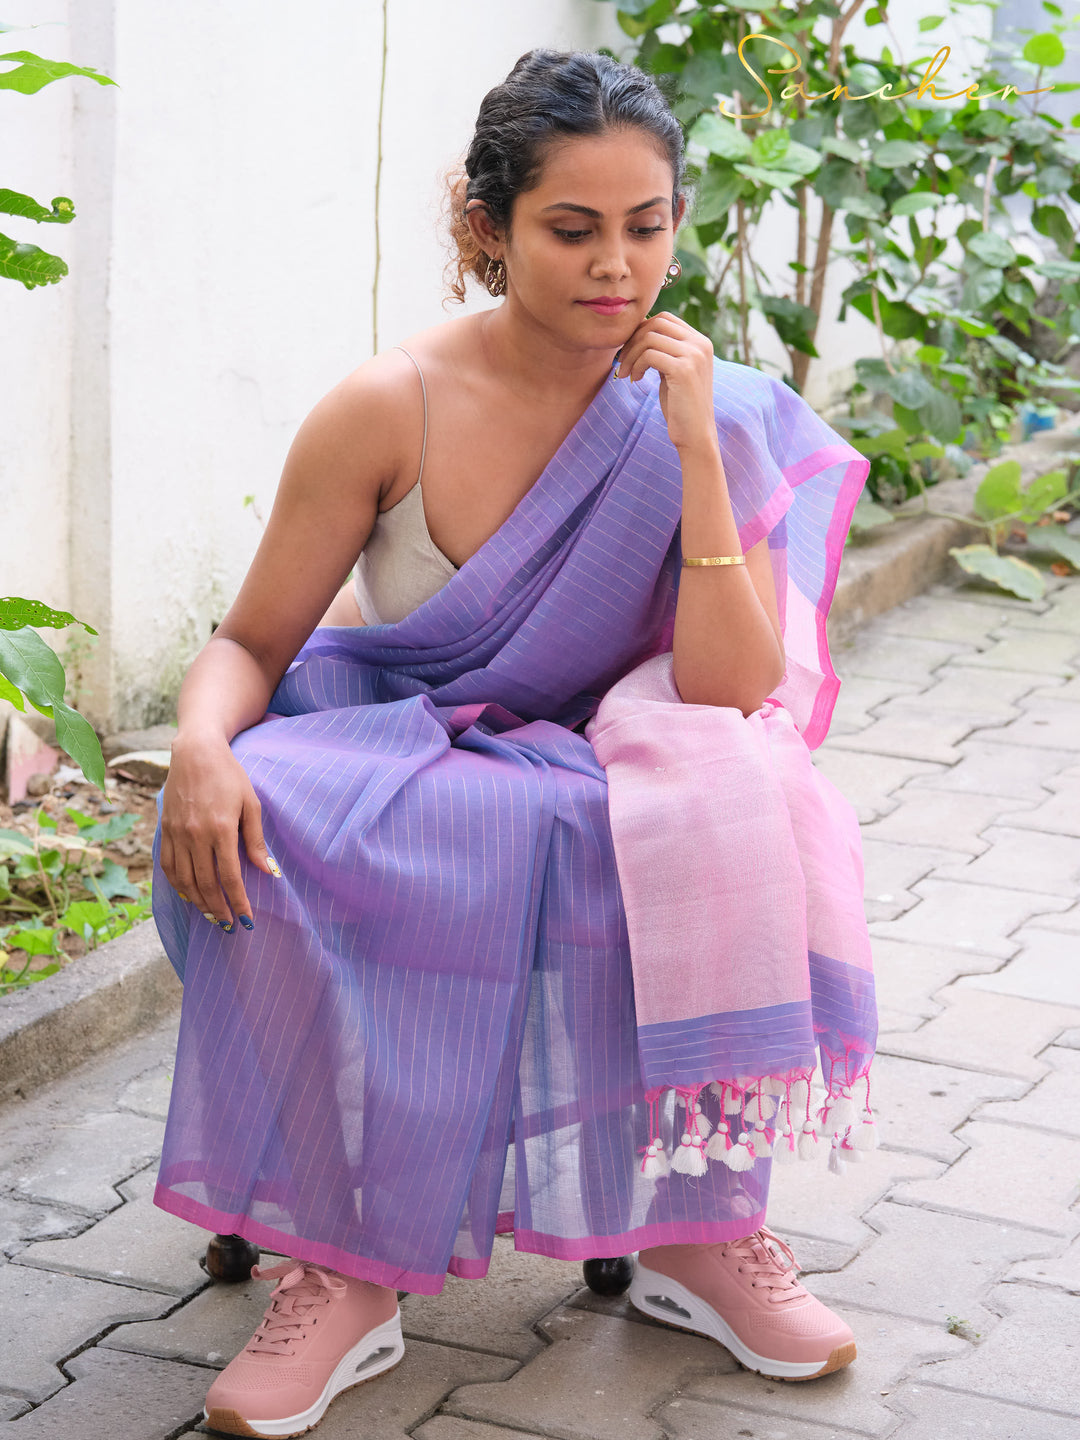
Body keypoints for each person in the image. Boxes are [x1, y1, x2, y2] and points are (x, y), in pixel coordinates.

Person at [152, 48, 877, 1440]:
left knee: (749, 789)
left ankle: (697, 1229)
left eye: (648, 224)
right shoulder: (390, 403)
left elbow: (729, 690)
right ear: (486, 229)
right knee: (273, 816)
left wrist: (695, 451)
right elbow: (250, 645)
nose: (619, 267)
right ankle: (348, 1262)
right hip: (416, 745)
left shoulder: (707, 408)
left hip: (629, 759)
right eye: (572, 227)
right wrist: (198, 745)